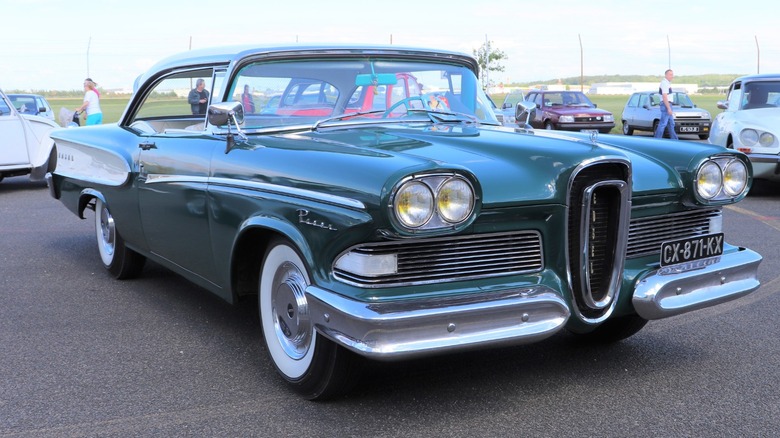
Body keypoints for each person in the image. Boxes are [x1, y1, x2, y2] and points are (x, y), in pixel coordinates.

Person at [653, 69, 678, 139]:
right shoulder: (664, 83)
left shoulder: (667, 83)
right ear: (666, 75)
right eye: (670, 74)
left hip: (667, 104)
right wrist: (668, 108)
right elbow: (664, 96)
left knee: (671, 123)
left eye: (672, 74)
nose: (672, 76)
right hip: (666, 104)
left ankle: (675, 140)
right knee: (663, 123)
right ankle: (657, 140)